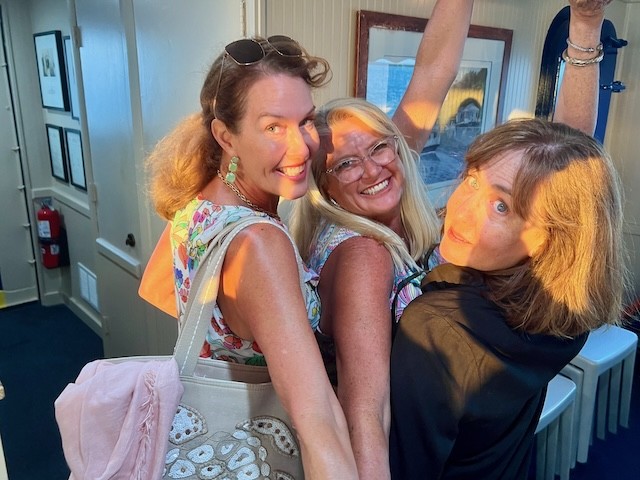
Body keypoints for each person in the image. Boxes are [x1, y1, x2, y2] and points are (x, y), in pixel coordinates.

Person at [288, 0, 613, 478]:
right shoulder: (363, 254)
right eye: (346, 164)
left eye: (379, 146)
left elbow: (561, 168)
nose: (372, 169)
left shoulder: (418, 212)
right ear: (325, 186)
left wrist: (585, 25)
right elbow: (367, 411)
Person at [146, 35, 358, 479]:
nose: (301, 147)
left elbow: (157, 290)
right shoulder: (259, 242)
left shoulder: (196, 207)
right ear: (225, 136)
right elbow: (317, 421)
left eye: (306, 121)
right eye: (273, 127)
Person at [389, 117, 627, 479]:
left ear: (547, 239)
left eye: (500, 206)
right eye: (472, 181)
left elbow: (404, 467)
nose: (459, 211)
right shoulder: (563, 309)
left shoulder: (437, 326)